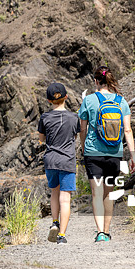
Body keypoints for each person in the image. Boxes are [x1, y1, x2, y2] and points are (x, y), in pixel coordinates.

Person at [79, 66, 135, 242]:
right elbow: (127, 130)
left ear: (96, 81)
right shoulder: (121, 101)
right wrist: (133, 156)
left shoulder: (89, 100)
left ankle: (100, 233)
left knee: (96, 193)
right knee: (108, 193)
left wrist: (83, 148)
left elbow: (82, 128)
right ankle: (107, 230)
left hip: (93, 153)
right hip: (114, 154)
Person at [38, 82, 79, 244]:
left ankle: (54, 222)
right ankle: (62, 235)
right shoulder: (73, 118)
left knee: (54, 192)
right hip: (67, 160)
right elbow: (75, 136)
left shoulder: (45, 118)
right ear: (66, 97)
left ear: (48, 101)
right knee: (65, 199)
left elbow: (41, 140)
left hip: (51, 160)